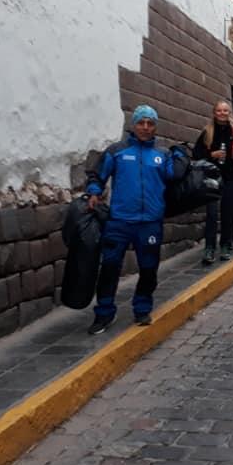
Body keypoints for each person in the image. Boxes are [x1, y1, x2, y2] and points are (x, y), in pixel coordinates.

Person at [85, 105, 183, 334]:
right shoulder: (116, 151)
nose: (145, 128)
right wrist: (93, 191)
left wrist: (179, 156)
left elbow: (173, 176)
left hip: (150, 221)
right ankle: (104, 313)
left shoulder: (162, 154)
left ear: (155, 126)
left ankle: (142, 308)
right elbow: (98, 175)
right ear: (133, 124)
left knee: (148, 268)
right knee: (109, 267)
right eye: (141, 123)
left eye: (150, 123)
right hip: (119, 220)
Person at [193, 100, 233, 264]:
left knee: (229, 213)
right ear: (214, 113)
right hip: (211, 178)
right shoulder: (207, 131)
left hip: (230, 177)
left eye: (225, 111)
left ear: (229, 113)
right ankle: (209, 248)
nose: (222, 113)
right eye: (219, 111)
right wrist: (211, 155)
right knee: (212, 214)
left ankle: (225, 245)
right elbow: (196, 154)